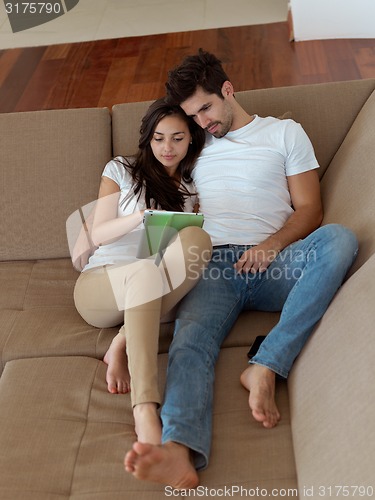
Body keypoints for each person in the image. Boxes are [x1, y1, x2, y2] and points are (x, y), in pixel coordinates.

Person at [124, 50, 359, 489]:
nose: (203, 123)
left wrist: (271, 247)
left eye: (207, 109)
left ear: (227, 91)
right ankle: (178, 449)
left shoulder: (285, 134)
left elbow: (311, 209)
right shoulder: (190, 148)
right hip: (211, 264)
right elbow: (150, 192)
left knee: (340, 240)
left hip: (275, 262)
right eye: (193, 116)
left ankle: (265, 366)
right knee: (190, 343)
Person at [73, 98, 212, 445]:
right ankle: (144, 408)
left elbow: (184, 255)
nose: (168, 147)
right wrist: (140, 218)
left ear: (191, 139)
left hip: (151, 285)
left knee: (199, 239)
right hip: (101, 284)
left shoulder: (192, 186)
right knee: (144, 272)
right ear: (148, 139)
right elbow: (98, 232)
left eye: (178, 138)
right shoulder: (121, 169)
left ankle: (121, 340)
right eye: (159, 138)